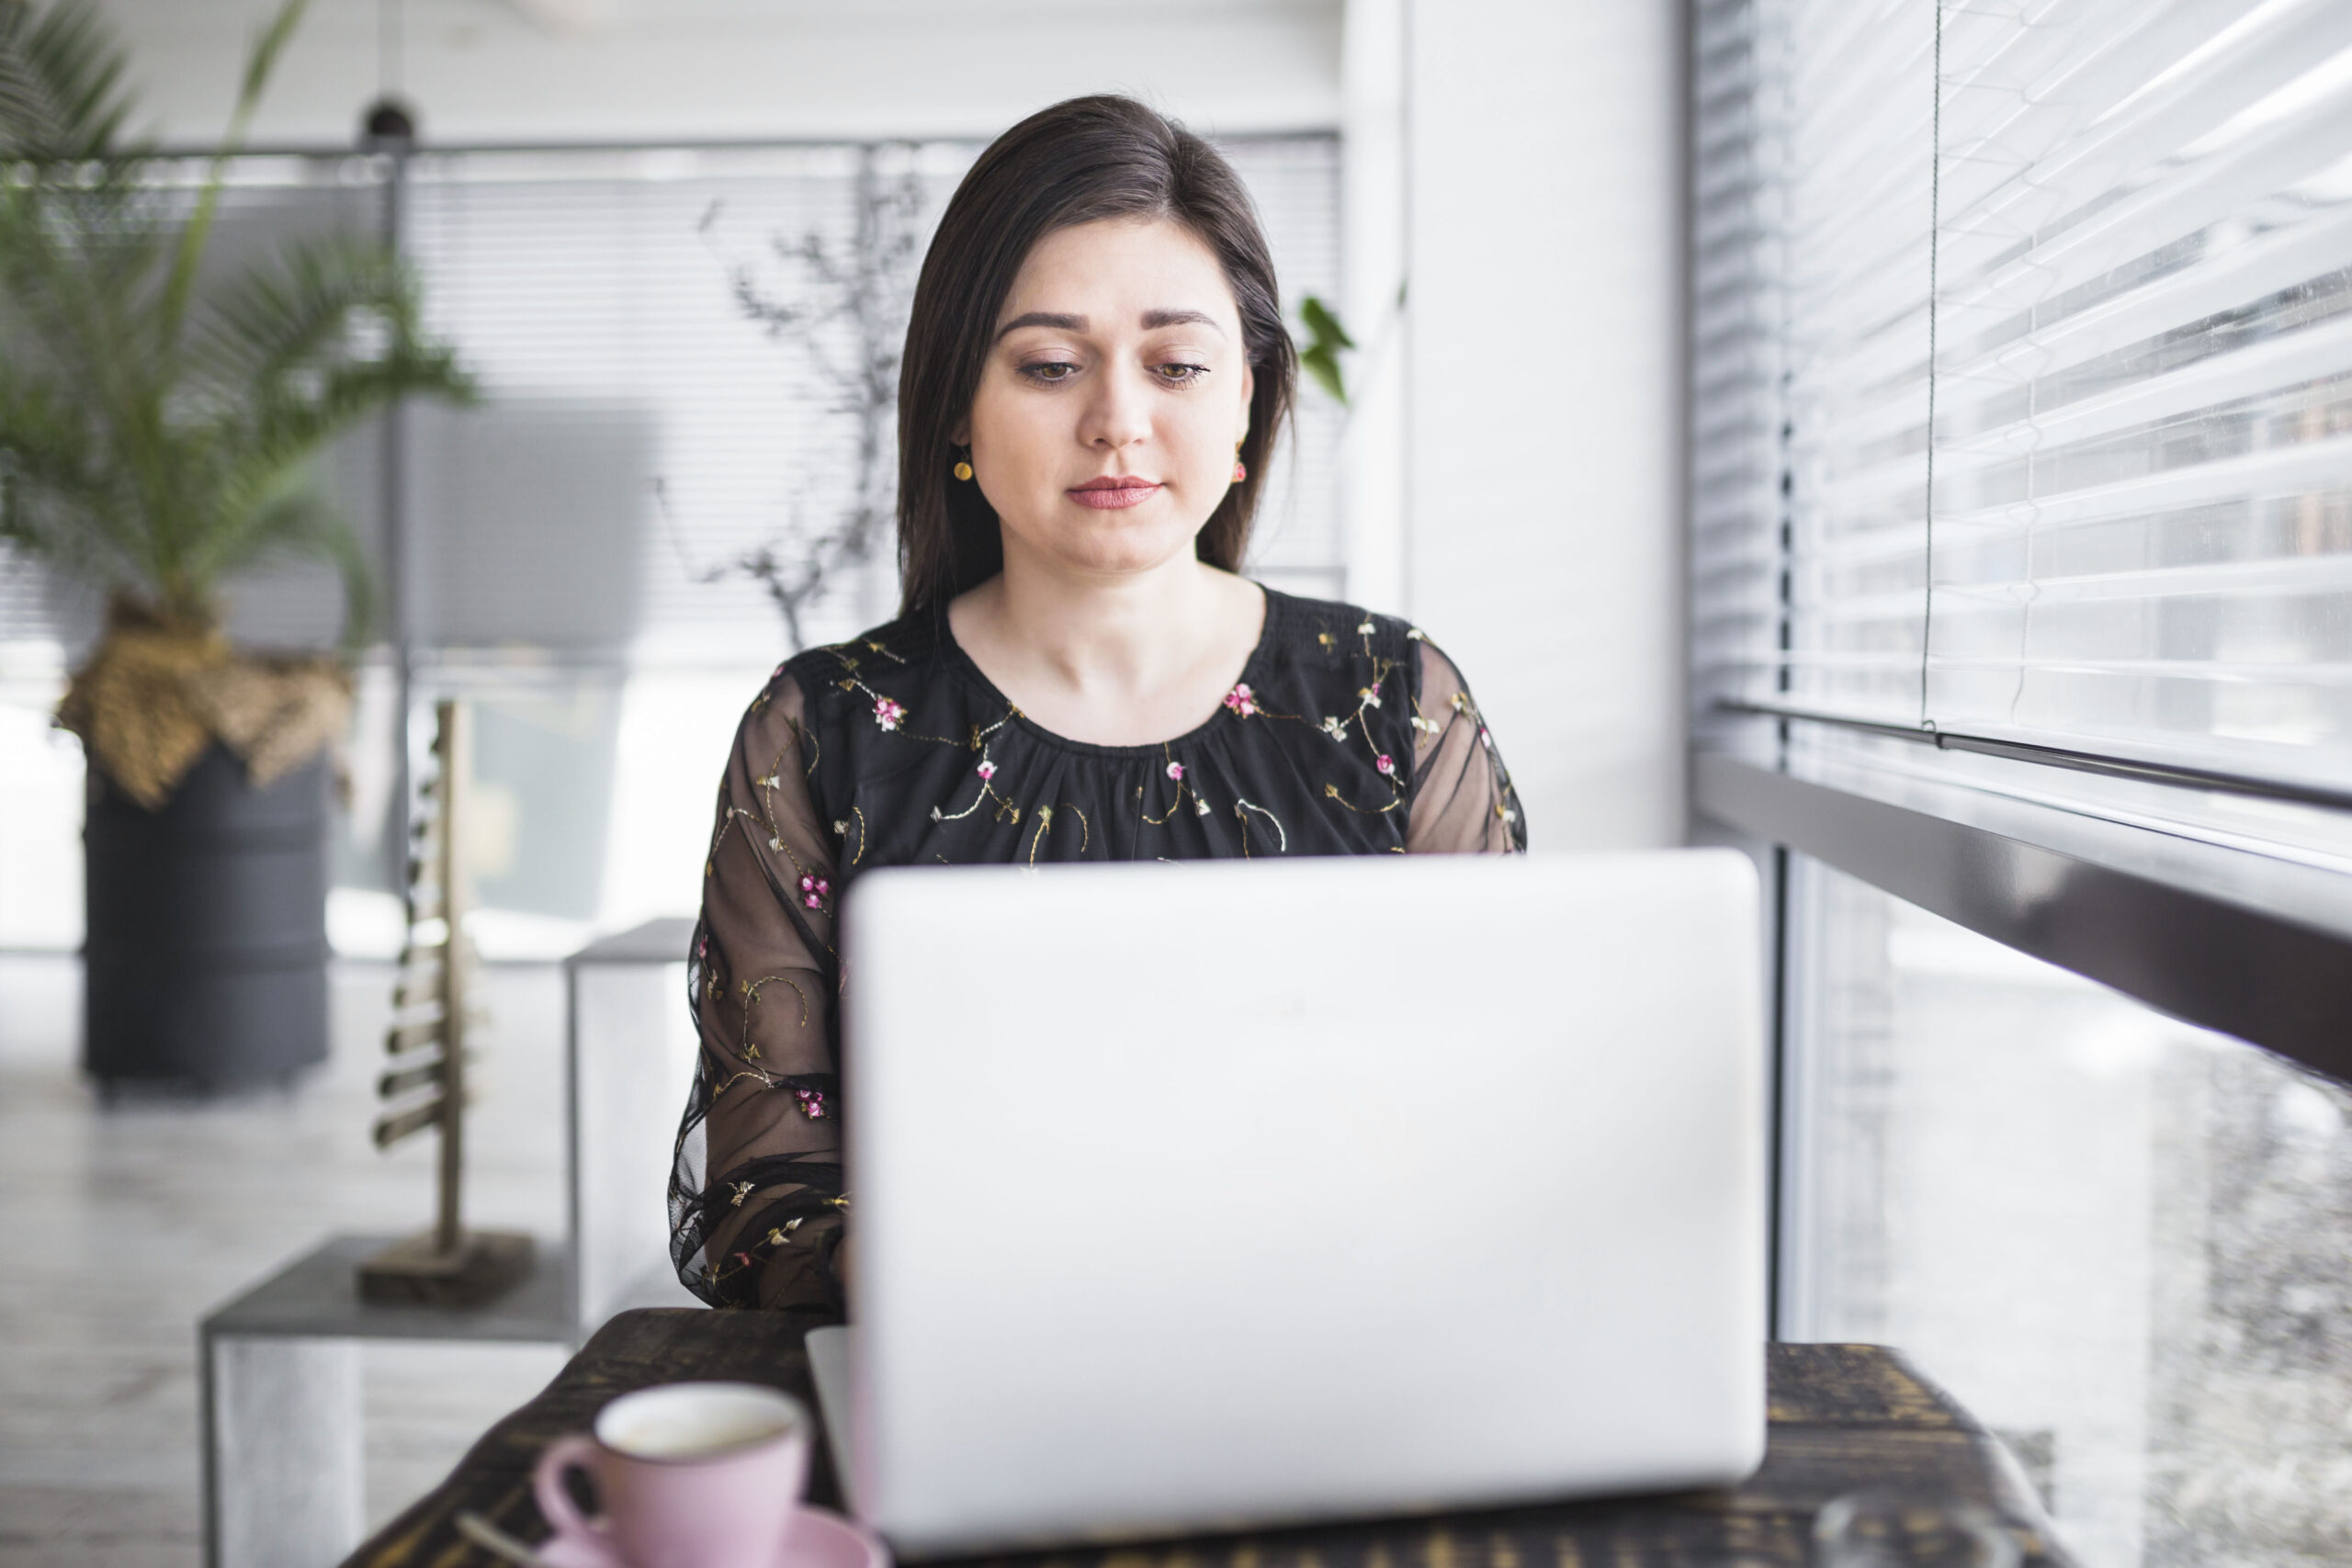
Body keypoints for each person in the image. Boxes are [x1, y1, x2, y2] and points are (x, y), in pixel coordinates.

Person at [669, 95, 1524, 1317]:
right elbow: (763, 1207)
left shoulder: (1394, 708)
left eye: (1177, 365)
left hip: (1339, 1357)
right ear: (958, 408)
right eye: (1051, 365)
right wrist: (977, 1266)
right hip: (961, 1383)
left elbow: (1498, 1122)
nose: (1119, 420)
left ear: (1247, 406)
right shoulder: (820, 733)